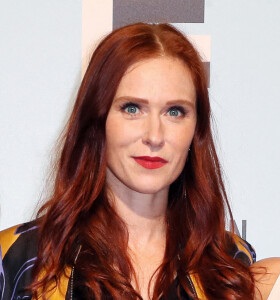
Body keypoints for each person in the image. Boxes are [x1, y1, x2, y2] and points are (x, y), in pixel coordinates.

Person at [0, 23, 256, 300]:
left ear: (196, 130)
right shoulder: (18, 258)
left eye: (175, 111)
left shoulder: (231, 263)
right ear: (97, 120)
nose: (154, 136)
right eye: (132, 108)